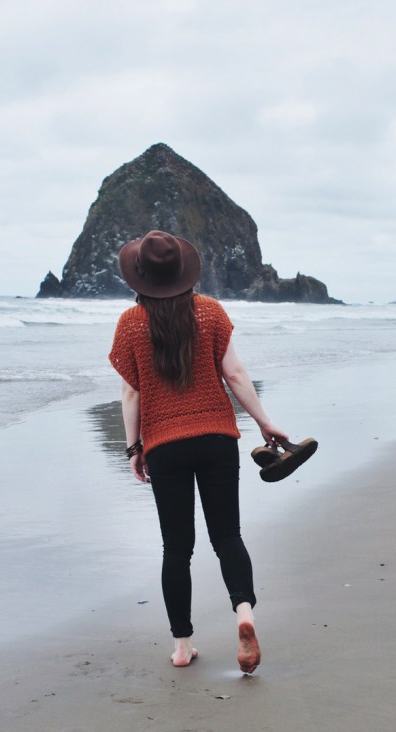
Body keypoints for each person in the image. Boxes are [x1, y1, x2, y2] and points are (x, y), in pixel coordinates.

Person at [109, 229, 288, 673]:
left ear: (141, 277)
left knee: (177, 547)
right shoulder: (210, 312)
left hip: (165, 445)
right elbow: (236, 374)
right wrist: (264, 422)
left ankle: (183, 645)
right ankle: (244, 614)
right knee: (227, 535)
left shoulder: (130, 323)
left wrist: (134, 448)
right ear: (182, 272)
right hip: (217, 439)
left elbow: (131, 393)